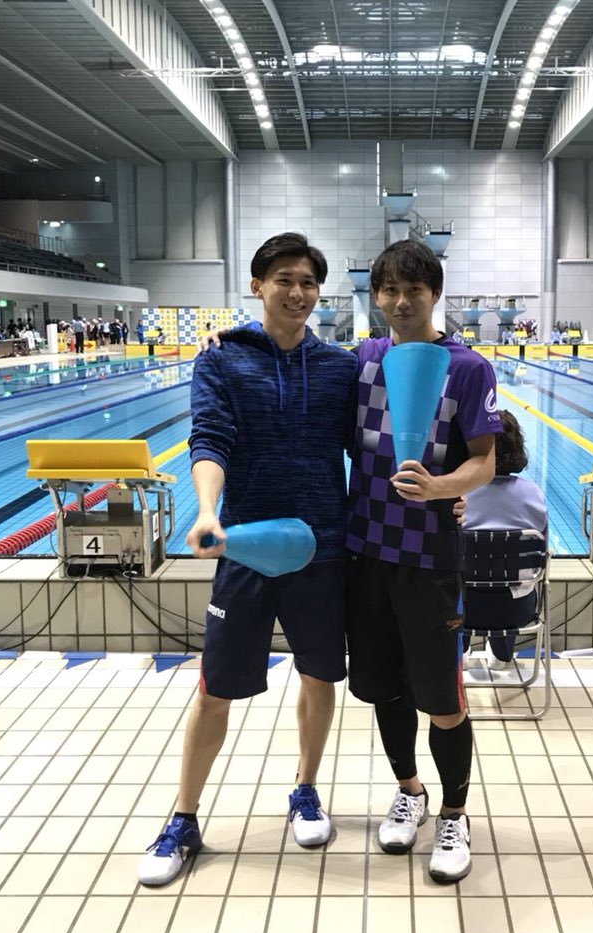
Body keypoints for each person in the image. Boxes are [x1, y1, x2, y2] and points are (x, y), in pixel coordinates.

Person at [138, 233, 358, 886]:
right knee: (215, 688)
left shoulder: (340, 368)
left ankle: (306, 790)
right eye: (284, 279)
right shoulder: (222, 359)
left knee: (319, 676)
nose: (298, 292)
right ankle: (183, 817)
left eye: (308, 282)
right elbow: (210, 438)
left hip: (322, 548)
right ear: (257, 285)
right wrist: (208, 511)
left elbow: (371, 449)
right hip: (246, 547)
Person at [345, 240, 501, 884]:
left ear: (435, 293)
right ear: (376, 296)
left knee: (441, 697)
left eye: (414, 289)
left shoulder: (467, 368)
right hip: (365, 551)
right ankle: (410, 791)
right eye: (390, 289)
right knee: (384, 687)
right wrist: (228, 341)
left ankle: (455, 815)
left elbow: (485, 460)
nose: (402, 301)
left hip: (430, 556)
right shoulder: (363, 359)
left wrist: (442, 488)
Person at [462, 410, 548, 668]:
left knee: (460, 573)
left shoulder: (459, 494)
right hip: (517, 610)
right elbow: (542, 551)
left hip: (462, 610)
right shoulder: (532, 493)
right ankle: (501, 655)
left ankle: (459, 651)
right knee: (510, 575)